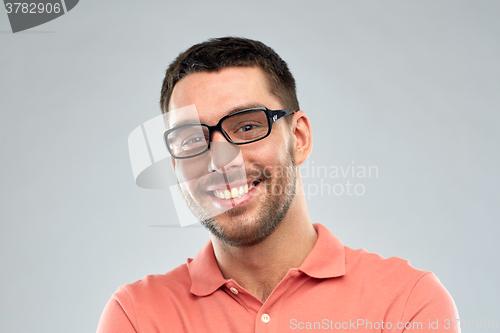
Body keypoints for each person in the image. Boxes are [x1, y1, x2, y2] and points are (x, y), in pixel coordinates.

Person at [97, 37, 459, 332]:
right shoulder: (136, 316)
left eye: (248, 126)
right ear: (176, 164)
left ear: (298, 137)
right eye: (193, 140)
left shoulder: (406, 303)